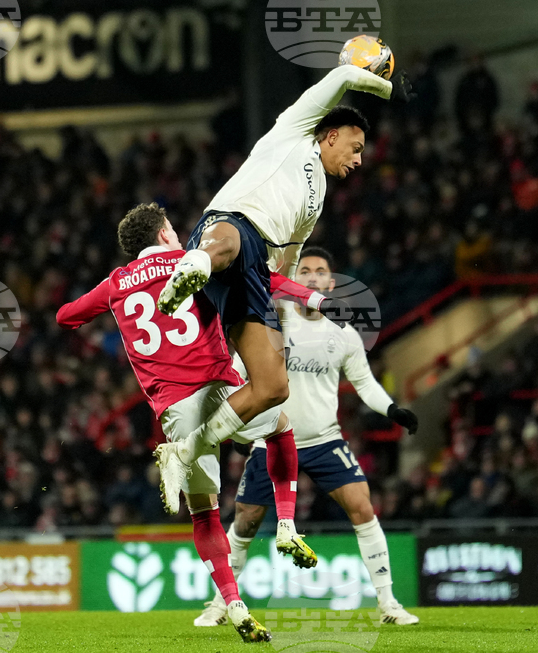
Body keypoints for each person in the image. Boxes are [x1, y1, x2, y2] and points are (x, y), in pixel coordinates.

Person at [55, 203, 328, 643]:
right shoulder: (192, 262)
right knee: (279, 427)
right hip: (222, 388)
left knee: (204, 513)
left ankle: (233, 603)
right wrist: (307, 294)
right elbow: (265, 279)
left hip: (174, 409)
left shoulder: (115, 284)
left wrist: (102, 303)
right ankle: (286, 524)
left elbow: (65, 316)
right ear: (164, 232)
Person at [153, 65, 415, 510]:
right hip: (230, 227)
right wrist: (382, 82)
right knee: (231, 239)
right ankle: (192, 266)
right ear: (331, 135)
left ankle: (184, 449)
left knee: (274, 386)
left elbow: (286, 265)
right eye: (355, 148)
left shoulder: (315, 202)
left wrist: (281, 315)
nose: (357, 159)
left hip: (253, 273)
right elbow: (338, 80)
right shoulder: (292, 132)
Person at [193, 248, 420, 628]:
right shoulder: (272, 321)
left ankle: (388, 604)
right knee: (246, 520)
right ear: (296, 281)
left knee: (362, 507)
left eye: (320, 273)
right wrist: (237, 420)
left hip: (324, 440)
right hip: (272, 438)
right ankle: (220, 603)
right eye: (306, 271)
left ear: (330, 284)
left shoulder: (343, 333)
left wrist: (392, 410)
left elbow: (364, 384)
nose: (313, 278)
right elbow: (238, 368)